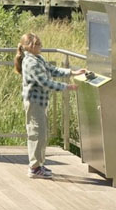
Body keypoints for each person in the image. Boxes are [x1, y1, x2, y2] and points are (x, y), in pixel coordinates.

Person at [15, 32, 84, 179]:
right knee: (36, 134)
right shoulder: (31, 62)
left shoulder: (38, 58)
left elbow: (52, 70)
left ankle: (38, 164)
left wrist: (72, 72)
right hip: (34, 102)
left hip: (41, 101)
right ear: (30, 46)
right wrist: (67, 87)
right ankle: (34, 167)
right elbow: (45, 83)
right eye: (38, 44)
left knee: (41, 134)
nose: (41, 46)